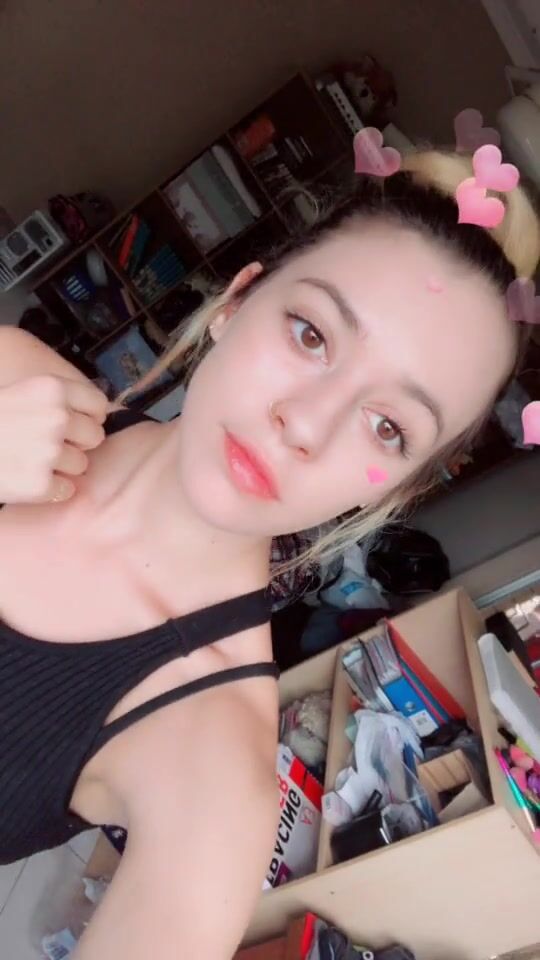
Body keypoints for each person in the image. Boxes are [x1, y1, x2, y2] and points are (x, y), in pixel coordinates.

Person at [0, 148, 538, 959]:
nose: (307, 424)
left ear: (394, 490)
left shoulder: (214, 771)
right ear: (237, 300)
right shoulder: (13, 378)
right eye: (312, 333)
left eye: (387, 427)